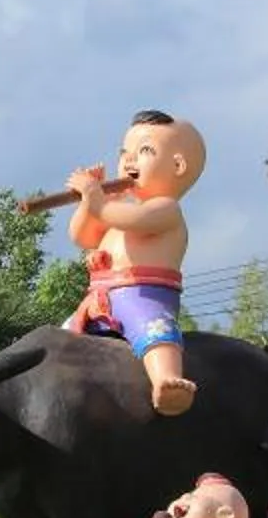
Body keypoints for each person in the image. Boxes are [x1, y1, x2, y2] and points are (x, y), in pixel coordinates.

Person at [56, 108, 207, 416]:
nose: (129, 160)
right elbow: (82, 236)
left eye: (145, 151)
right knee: (63, 337)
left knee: (154, 333)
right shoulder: (115, 208)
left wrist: (95, 198)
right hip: (97, 300)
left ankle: (167, 382)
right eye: (124, 152)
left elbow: (132, 219)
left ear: (177, 165)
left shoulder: (165, 209)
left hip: (144, 295)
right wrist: (90, 204)